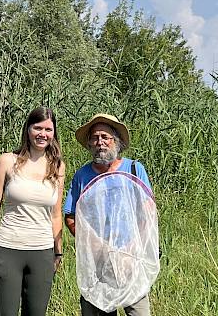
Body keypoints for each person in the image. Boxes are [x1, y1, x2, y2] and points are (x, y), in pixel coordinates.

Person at [63, 113, 153, 316]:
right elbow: (70, 216)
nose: (100, 143)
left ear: (116, 141)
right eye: (95, 138)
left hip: (132, 260)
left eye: (105, 137)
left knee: (138, 312)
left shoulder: (134, 169)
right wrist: (94, 245)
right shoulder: (82, 175)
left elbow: (148, 213)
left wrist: (130, 249)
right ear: (89, 144)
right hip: (97, 265)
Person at [0, 107, 66, 316]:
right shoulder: (7, 160)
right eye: (37, 128)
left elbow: (56, 213)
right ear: (28, 129)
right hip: (6, 247)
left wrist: (57, 251)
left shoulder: (57, 166)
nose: (43, 134)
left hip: (42, 251)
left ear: (53, 133)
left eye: (48, 129)